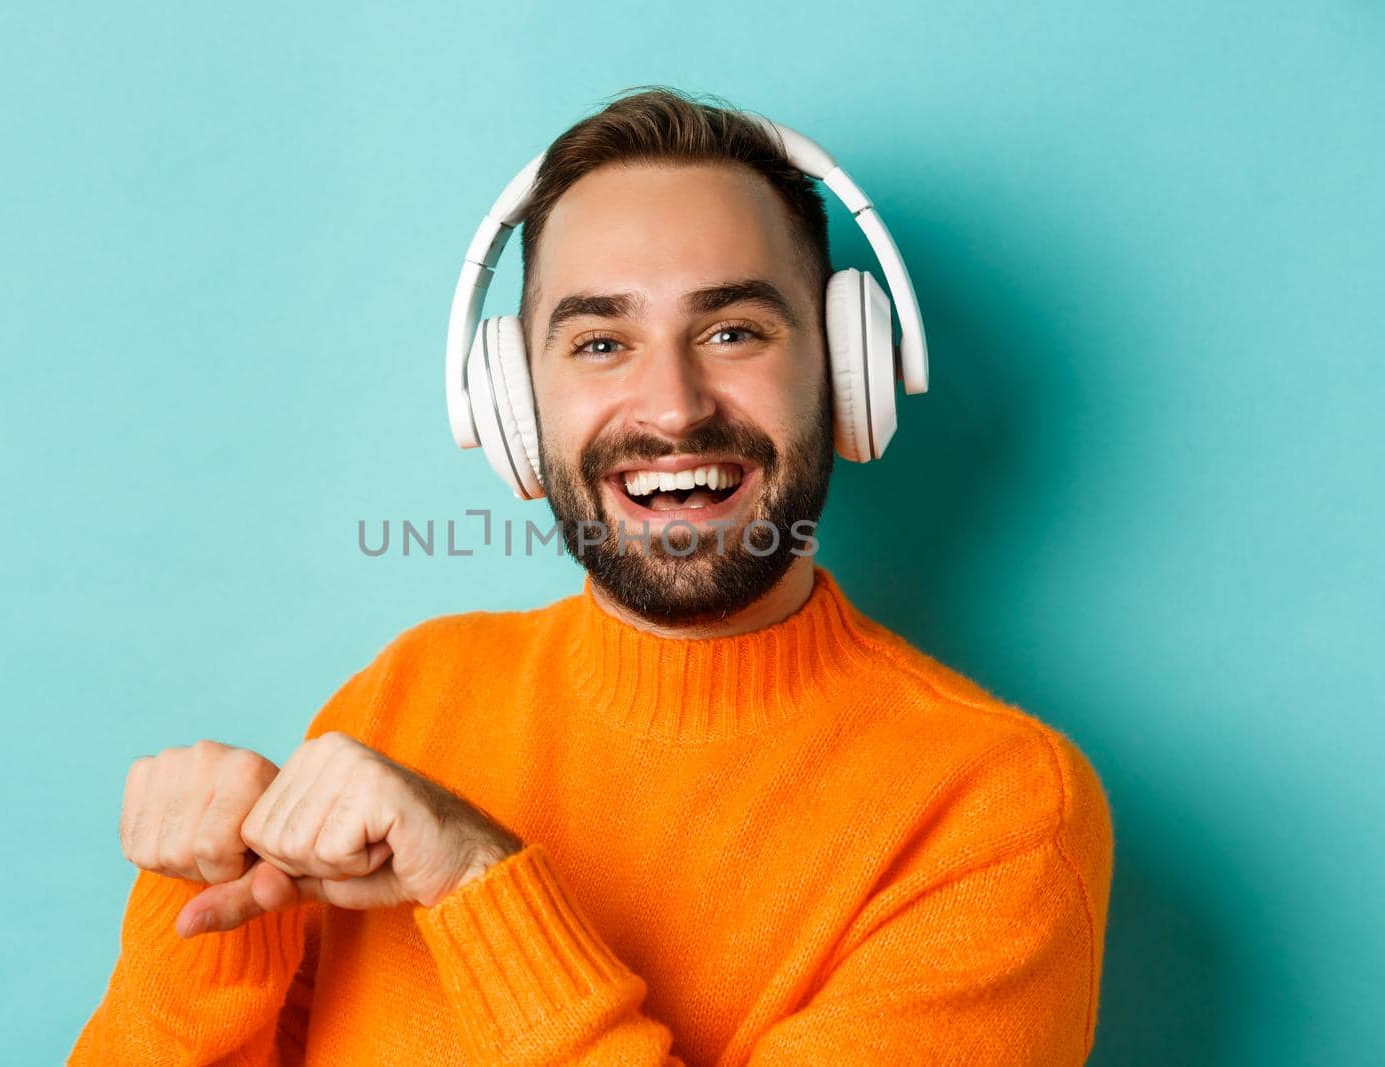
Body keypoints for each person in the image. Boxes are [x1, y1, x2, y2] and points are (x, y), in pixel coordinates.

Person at [71, 86, 1113, 1066]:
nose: (670, 405)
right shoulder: (410, 694)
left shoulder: (998, 810)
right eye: (601, 339)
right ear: (513, 405)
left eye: (733, 330)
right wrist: (199, 917)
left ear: (847, 372)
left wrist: (481, 882)